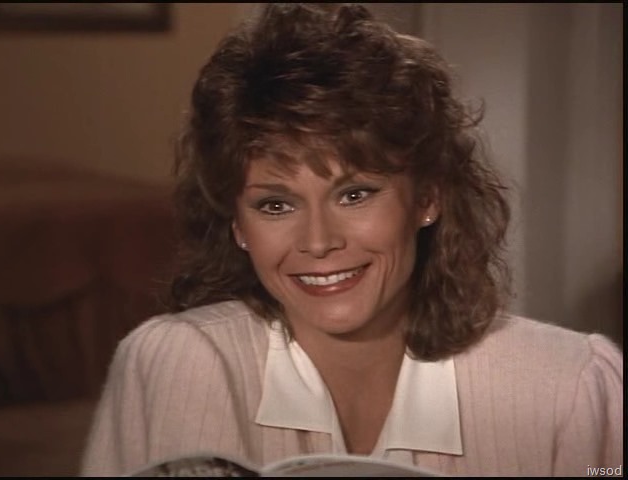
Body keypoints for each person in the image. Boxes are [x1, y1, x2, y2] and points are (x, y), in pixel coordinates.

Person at [81, 4, 622, 477]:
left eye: (355, 194)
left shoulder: (570, 388)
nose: (317, 242)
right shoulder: (177, 364)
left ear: (427, 197)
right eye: (276, 205)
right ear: (237, 226)